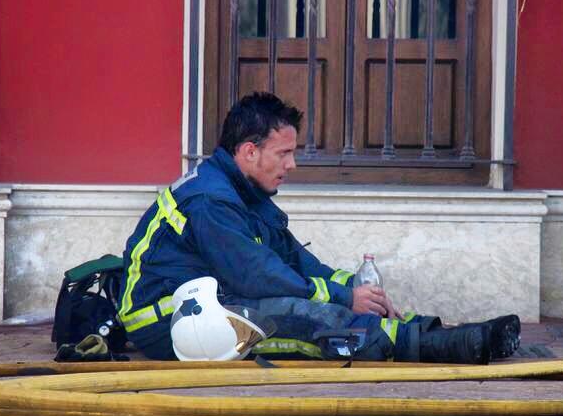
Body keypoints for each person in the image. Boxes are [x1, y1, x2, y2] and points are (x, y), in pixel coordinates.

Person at [117, 92, 520, 362]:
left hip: (207, 303)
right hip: (166, 322)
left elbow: (295, 259)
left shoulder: (244, 192)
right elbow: (257, 276)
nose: (292, 165)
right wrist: (345, 300)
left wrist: (358, 292)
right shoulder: (211, 200)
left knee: (306, 301)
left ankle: (421, 330)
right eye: (285, 153)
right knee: (297, 314)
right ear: (249, 152)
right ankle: (435, 347)